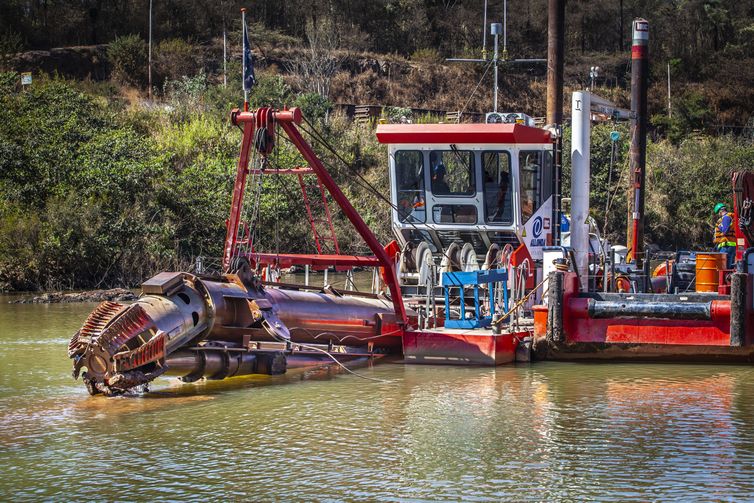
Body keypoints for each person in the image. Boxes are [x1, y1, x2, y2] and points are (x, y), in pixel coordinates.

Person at [713, 202, 736, 269]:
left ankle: (725, 279)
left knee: (723, 268)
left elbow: (725, 231)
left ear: (720, 211)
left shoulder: (726, 217)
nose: (718, 215)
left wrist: (719, 226)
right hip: (727, 246)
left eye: (718, 213)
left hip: (726, 246)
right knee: (727, 267)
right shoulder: (727, 217)